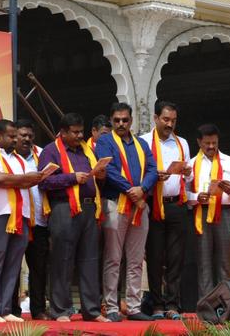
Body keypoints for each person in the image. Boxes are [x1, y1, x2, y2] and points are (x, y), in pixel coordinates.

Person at [40, 111, 109, 323]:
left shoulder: (87, 151)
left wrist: (101, 175)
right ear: (62, 132)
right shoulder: (51, 151)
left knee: (90, 260)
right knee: (63, 259)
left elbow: (97, 182)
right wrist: (71, 178)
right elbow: (43, 182)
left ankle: (92, 310)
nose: (80, 136)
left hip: (89, 209)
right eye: (75, 132)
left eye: (81, 132)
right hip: (63, 209)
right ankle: (60, 310)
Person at [95, 102, 157, 322]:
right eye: (117, 120)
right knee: (113, 257)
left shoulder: (141, 144)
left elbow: (152, 169)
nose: (121, 124)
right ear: (111, 121)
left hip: (139, 204)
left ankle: (133, 306)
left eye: (125, 120)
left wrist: (143, 189)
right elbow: (108, 170)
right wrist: (131, 190)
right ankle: (111, 306)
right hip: (116, 203)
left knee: (136, 259)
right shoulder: (105, 141)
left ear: (131, 121)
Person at [0, 118, 44, 323]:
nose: (16, 139)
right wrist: (24, 180)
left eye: (16, 136)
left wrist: (21, 180)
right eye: (12, 136)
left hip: (22, 216)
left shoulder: (20, 160)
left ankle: (6, 308)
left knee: (14, 264)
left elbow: (17, 180)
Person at [144, 100, 190, 321]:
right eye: (165, 119)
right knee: (154, 256)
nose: (169, 124)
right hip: (153, 203)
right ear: (155, 118)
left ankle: (172, 304)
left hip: (177, 204)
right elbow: (139, 174)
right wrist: (155, 176)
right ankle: (156, 304)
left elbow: (188, 178)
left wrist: (187, 172)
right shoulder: (144, 141)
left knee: (175, 258)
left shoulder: (182, 143)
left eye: (173, 120)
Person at [189, 123, 230, 298]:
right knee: (204, 260)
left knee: (226, 260)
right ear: (199, 142)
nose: (211, 147)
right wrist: (196, 197)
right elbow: (183, 193)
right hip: (201, 213)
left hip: (225, 212)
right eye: (207, 143)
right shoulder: (191, 164)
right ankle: (206, 303)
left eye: (214, 142)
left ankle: (227, 301)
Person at [11, 119, 48, 320]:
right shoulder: (7, 157)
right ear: (13, 137)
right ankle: (12, 309)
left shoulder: (42, 155)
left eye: (29, 136)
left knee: (39, 268)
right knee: (13, 267)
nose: (26, 139)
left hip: (40, 221)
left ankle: (39, 309)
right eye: (22, 135)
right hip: (16, 220)